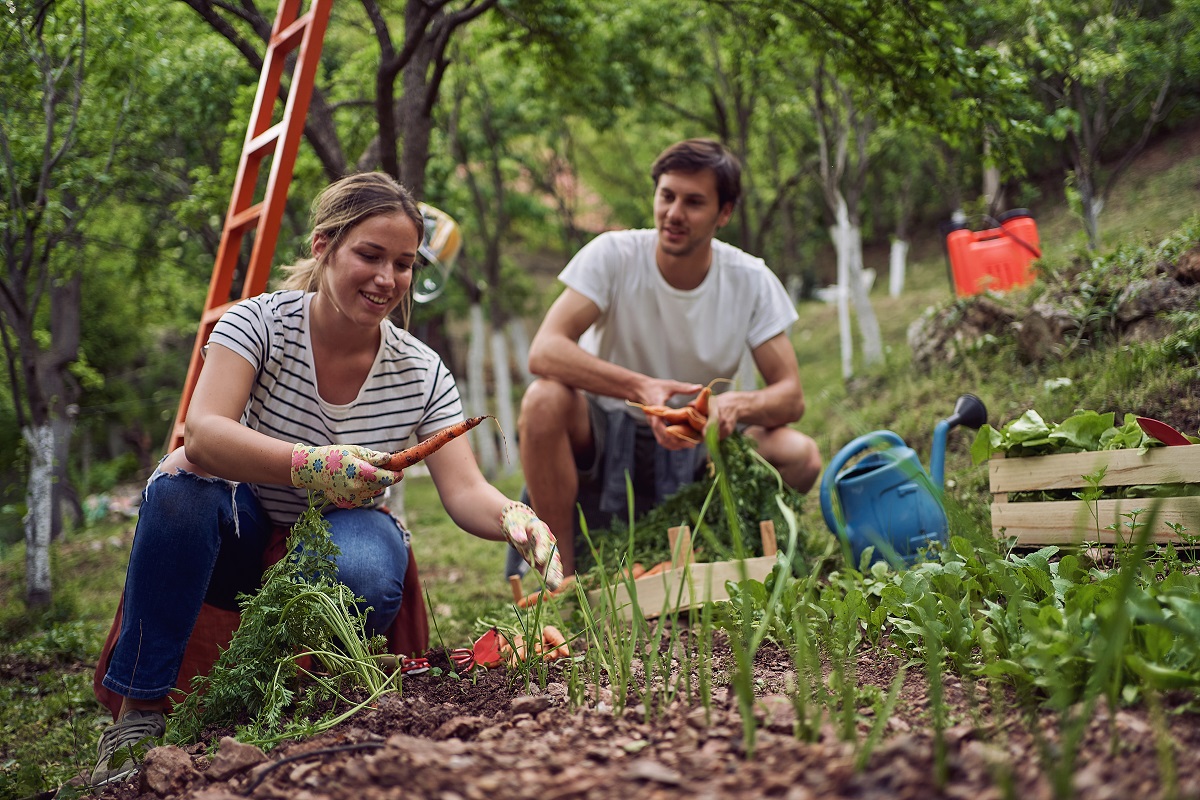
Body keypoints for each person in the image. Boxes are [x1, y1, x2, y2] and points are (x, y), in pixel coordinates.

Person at [91, 172, 562, 785]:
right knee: (180, 485)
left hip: (343, 534)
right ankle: (140, 710)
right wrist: (311, 464)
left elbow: (465, 488)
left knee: (365, 564)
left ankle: (289, 705)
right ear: (322, 247)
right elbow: (204, 433)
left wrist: (511, 517)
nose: (386, 279)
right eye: (369, 255)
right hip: (243, 519)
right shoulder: (256, 325)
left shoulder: (420, 371)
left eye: (403, 263)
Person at [517, 138, 821, 578]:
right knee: (542, 400)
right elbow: (545, 350)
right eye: (667, 196)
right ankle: (559, 578)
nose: (675, 213)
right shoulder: (613, 255)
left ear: (724, 213)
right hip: (604, 432)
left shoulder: (750, 279)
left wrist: (732, 405)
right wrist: (643, 388)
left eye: (694, 202)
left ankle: (714, 549)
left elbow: (791, 396)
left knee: (801, 455)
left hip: (698, 444)